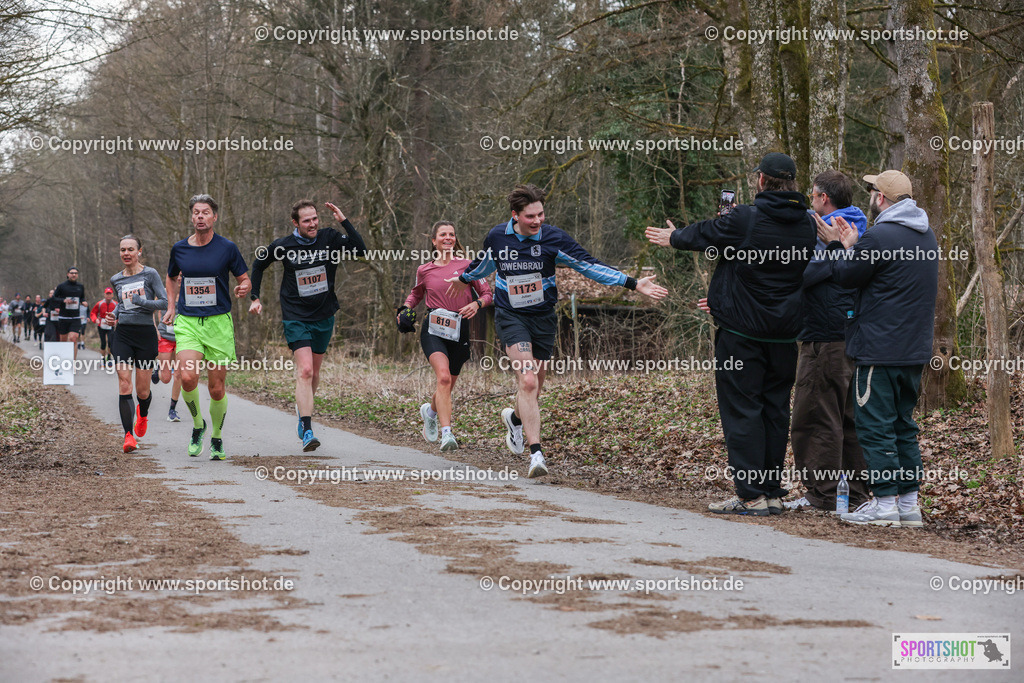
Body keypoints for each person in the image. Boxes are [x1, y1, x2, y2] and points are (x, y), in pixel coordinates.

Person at [450, 184, 667, 477]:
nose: (538, 220)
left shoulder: (554, 238)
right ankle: (536, 455)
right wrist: (463, 279)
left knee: (536, 385)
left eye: (541, 214)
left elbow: (589, 266)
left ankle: (514, 419)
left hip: (543, 318)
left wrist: (631, 282)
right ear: (515, 215)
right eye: (530, 216)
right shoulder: (497, 237)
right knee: (527, 381)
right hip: (511, 315)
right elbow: (483, 264)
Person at [646, 152, 816, 516]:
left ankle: (751, 495)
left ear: (761, 181)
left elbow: (707, 234)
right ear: (792, 183)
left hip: (742, 334)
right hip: (785, 336)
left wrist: (673, 236)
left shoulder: (746, 218)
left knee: (742, 411)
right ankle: (770, 491)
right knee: (774, 412)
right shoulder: (807, 223)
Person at [816, 170, 938, 528]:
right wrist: (856, 245)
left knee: (874, 426)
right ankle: (908, 505)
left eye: (871, 191)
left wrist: (838, 244)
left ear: (880, 198)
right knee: (903, 425)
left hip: (877, 351)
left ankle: (884, 505)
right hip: (914, 351)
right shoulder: (926, 235)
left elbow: (844, 276)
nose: (869, 196)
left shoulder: (880, 236)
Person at [785, 170, 872, 512]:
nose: (810, 200)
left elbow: (804, 274)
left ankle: (821, 494)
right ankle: (856, 494)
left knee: (815, 415)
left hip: (825, 335)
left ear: (824, 198)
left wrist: (831, 248)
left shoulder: (827, 231)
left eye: (813, 195)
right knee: (849, 418)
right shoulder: (860, 227)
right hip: (853, 337)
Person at [249, 200, 366, 451]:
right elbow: (259, 264)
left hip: (324, 315)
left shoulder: (330, 238)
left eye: (315, 219)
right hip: (296, 315)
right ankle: (307, 428)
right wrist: (255, 296)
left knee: (314, 372)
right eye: (306, 220)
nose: (312, 224)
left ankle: (303, 409)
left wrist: (343, 220)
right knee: (305, 371)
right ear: (295, 223)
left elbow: (360, 250)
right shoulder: (283, 245)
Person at [164, 194, 250, 461]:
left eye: (205, 212)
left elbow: (244, 279)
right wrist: (171, 306)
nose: (200, 216)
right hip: (188, 321)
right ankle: (197, 425)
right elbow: (170, 277)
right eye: (196, 212)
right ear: (192, 217)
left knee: (216, 388)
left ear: (214, 217)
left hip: (218, 323)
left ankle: (216, 437)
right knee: (188, 377)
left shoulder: (227, 248)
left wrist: (244, 288)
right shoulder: (179, 249)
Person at [400, 220, 492, 451]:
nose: (448, 238)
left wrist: (477, 304)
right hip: (433, 329)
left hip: (459, 329)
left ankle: (429, 412)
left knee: (447, 385)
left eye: (451, 234)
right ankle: (447, 434)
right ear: (434, 241)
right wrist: (404, 310)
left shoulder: (469, 266)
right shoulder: (425, 270)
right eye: (443, 234)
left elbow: (488, 293)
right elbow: (415, 295)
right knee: (442, 378)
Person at [107, 235, 168, 453]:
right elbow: (122, 304)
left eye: (130, 249)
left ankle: (142, 415)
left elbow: (164, 301)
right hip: (123, 334)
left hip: (145, 335)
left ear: (139, 251)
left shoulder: (150, 274)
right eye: (123, 250)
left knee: (143, 391)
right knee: (124, 384)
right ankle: (128, 436)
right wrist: (113, 315)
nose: (126, 253)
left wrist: (143, 302)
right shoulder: (116, 279)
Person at [153, 313, 183, 422]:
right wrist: (155, 328)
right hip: (165, 336)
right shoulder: (163, 295)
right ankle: (158, 367)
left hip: (182, 336)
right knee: (166, 379)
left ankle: (172, 410)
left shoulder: (186, 295)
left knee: (179, 374)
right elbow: (152, 309)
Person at [54, 267, 86, 359]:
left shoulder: (80, 286)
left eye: (76, 273)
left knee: (73, 338)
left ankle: (73, 363)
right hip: (64, 317)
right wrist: (64, 300)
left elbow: (82, 297)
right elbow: (54, 298)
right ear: (68, 274)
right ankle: (63, 360)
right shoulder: (61, 286)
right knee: (63, 341)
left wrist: (83, 302)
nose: (74, 275)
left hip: (75, 318)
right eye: (72, 273)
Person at [91, 288, 118, 364]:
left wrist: (116, 321)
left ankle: (109, 357)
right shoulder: (99, 304)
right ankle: (103, 358)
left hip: (111, 325)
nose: (108, 295)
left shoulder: (116, 304)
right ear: (104, 294)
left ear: (112, 295)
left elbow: (120, 314)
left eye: (110, 294)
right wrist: (95, 319)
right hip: (101, 324)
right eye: (107, 294)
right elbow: (93, 313)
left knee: (110, 341)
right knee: (103, 342)